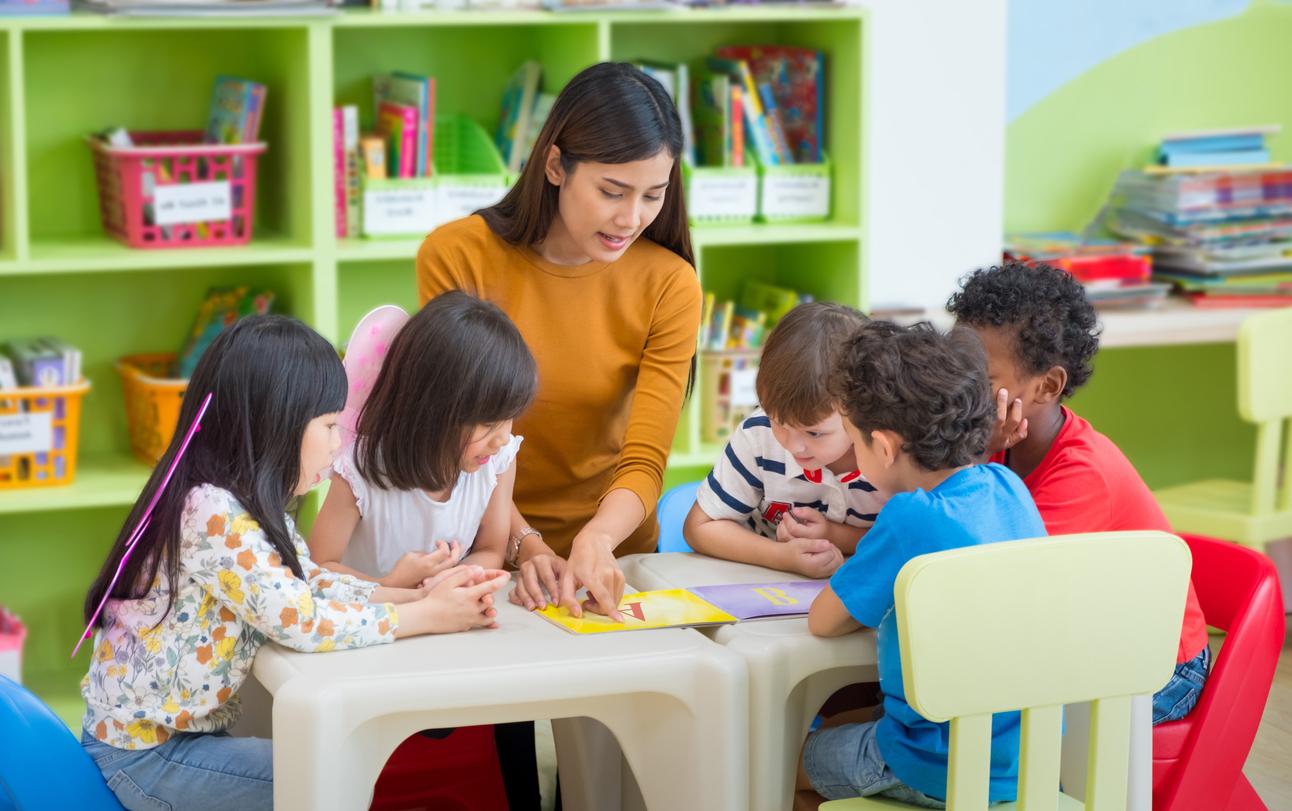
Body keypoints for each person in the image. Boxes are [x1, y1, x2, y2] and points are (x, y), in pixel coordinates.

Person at [79, 316, 507, 810]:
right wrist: (424, 616)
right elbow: (298, 620)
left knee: (333, 766)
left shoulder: (245, 502)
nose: (337, 442)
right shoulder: (212, 511)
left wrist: (410, 594)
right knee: (329, 778)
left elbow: (307, 582)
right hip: (145, 759)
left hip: (174, 745)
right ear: (273, 422)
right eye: (328, 425)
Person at [416, 62, 702, 622]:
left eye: (653, 195)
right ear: (555, 166)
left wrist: (597, 540)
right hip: (478, 547)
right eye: (612, 191)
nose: (632, 218)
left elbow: (645, 460)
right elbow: (456, 435)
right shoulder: (457, 256)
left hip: (614, 554)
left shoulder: (670, 283)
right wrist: (525, 542)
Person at [948, 261, 1209, 723]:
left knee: (986, 713)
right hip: (1085, 638)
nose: (957, 392)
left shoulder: (1081, 473)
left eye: (981, 382)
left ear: (1047, 386)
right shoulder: (997, 443)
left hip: (1161, 667)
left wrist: (972, 454)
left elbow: (984, 577)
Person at [798, 320, 1046, 806]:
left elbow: (823, 621)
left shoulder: (910, 517)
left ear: (885, 447)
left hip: (935, 764)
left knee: (778, 760)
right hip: (1023, 757)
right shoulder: (1006, 485)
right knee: (846, 726)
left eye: (854, 438)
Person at [308, 291, 537, 587]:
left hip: (442, 622)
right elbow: (319, 568)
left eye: (510, 417)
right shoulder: (360, 471)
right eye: (489, 423)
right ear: (431, 409)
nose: (503, 439)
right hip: (376, 623)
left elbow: (490, 550)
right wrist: (395, 585)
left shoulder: (497, 464)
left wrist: (452, 580)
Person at [684, 302, 884, 576]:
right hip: (766, 587)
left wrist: (836, 535)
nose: (792, 446)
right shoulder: (759, 433)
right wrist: (782, 557)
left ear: (862, 409)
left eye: (814, 433)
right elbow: (700, 527)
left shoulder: (890, 452)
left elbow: (916, 541)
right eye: (779, 422)